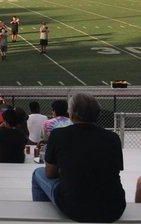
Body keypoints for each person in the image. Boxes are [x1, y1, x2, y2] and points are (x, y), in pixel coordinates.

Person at [32, 93, 126, 223]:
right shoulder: (113, 138)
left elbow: (50, 173)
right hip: (114, 208)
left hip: (75, 208)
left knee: (37, 173)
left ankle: (44, 219)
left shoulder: (58, 135)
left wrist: (69, 170)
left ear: (72, 114)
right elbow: (112, 170)